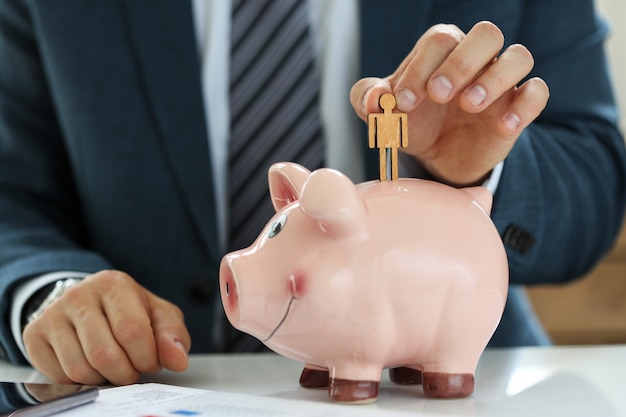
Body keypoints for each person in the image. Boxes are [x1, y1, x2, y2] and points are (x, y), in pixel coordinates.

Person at [0, 0, 624, 387]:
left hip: (478, 389)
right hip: (155, 385)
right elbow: (11, 193)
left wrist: (479, 176)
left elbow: (596, 183)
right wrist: (50, 289)